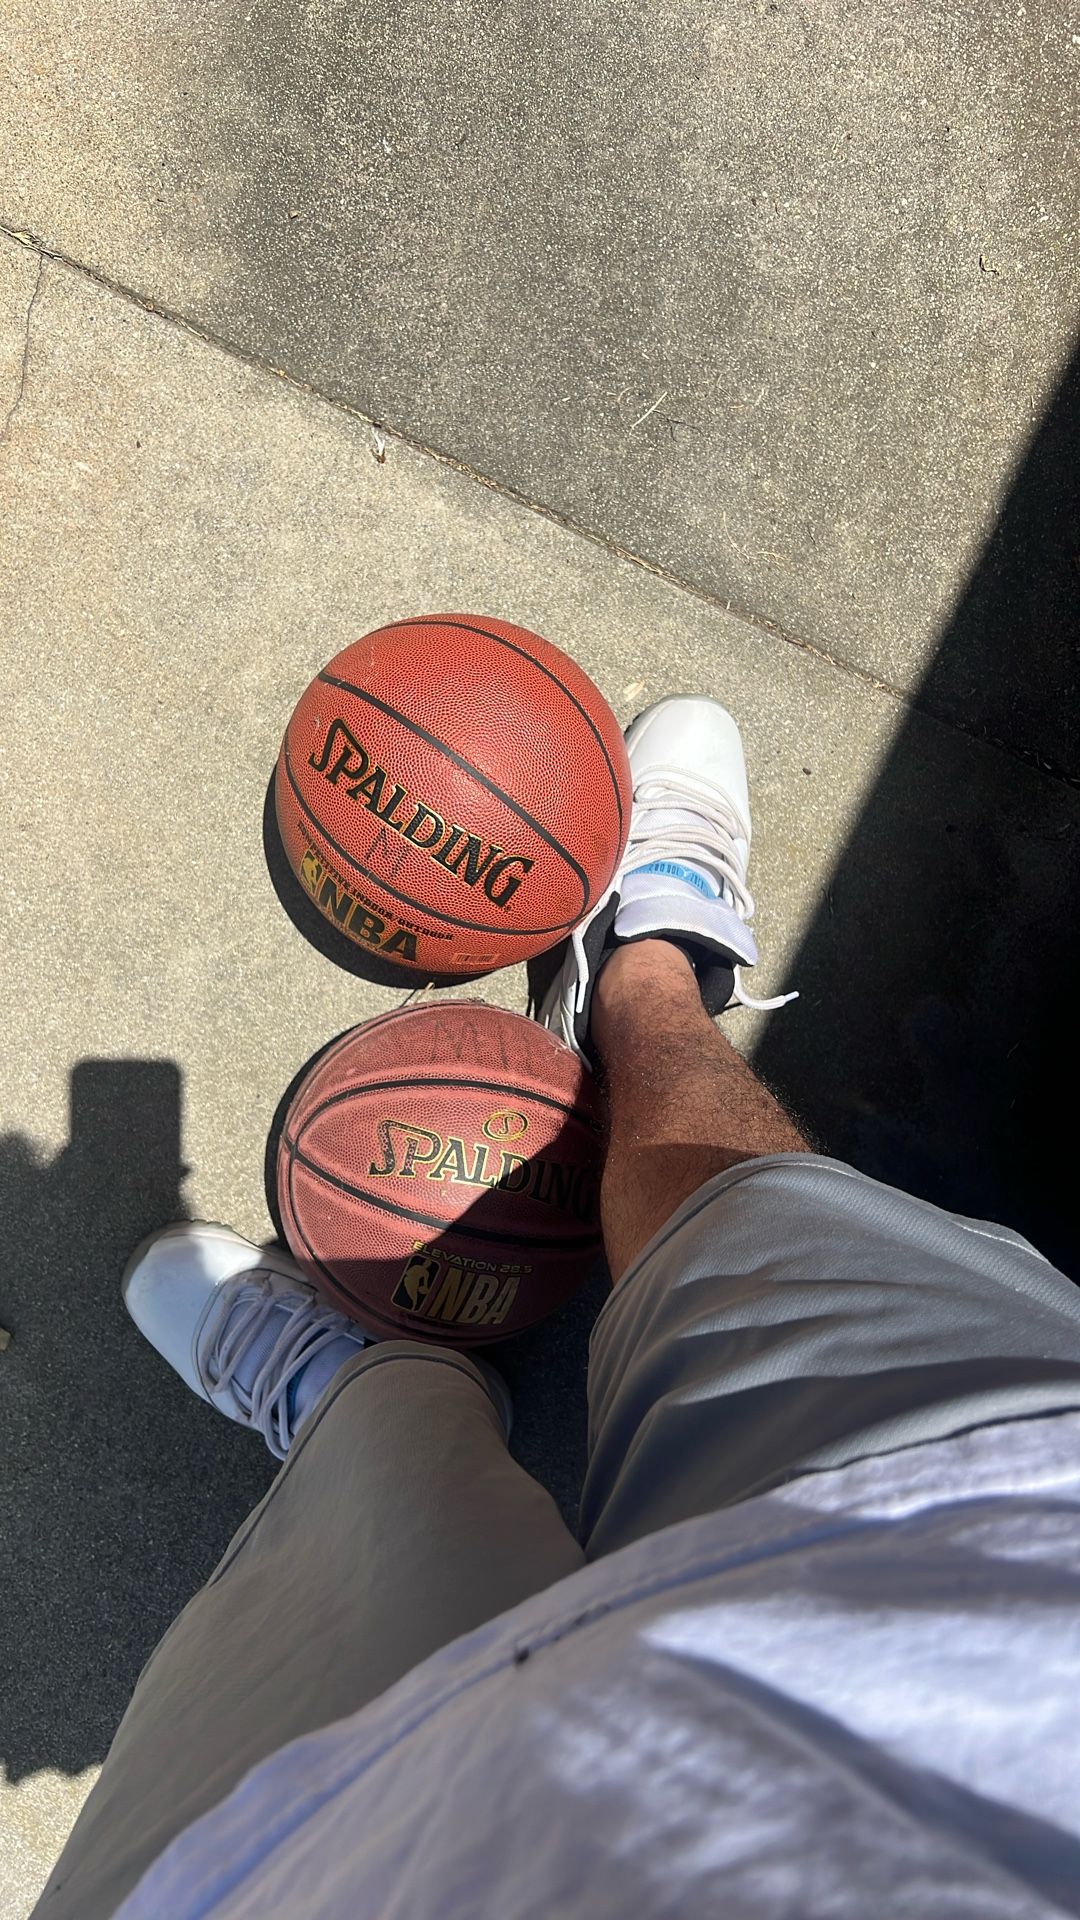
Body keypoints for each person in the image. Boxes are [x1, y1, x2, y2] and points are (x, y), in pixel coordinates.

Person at [37, 698, 1080, 1920]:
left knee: (344, 1599)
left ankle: (357, 1400)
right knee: (751, 1234)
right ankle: (643, 978)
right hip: (1013, 1620)